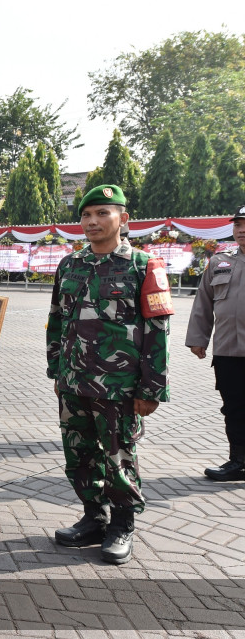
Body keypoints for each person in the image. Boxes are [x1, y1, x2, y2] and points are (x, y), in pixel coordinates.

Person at [47, 184, 171, 565]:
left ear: (123, 218)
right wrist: (57, 371)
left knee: (119, 457)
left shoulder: (144, 266)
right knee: (79, 454)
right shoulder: (70, 265)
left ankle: (122, 523)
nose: (92, 221)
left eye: (102, 213)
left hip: (119, 386)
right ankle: (94, 517)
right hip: (73, 382)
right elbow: (57, 320)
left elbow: (157, 331)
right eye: (86, 215)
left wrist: (152, 388)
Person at [185, 203, 245, 482]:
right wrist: (198, 339)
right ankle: (239, 461)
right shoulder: (221, 262)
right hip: (228, 351)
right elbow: (203, 302)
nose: (241, 230)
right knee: (233, 408)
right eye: (238, 225)